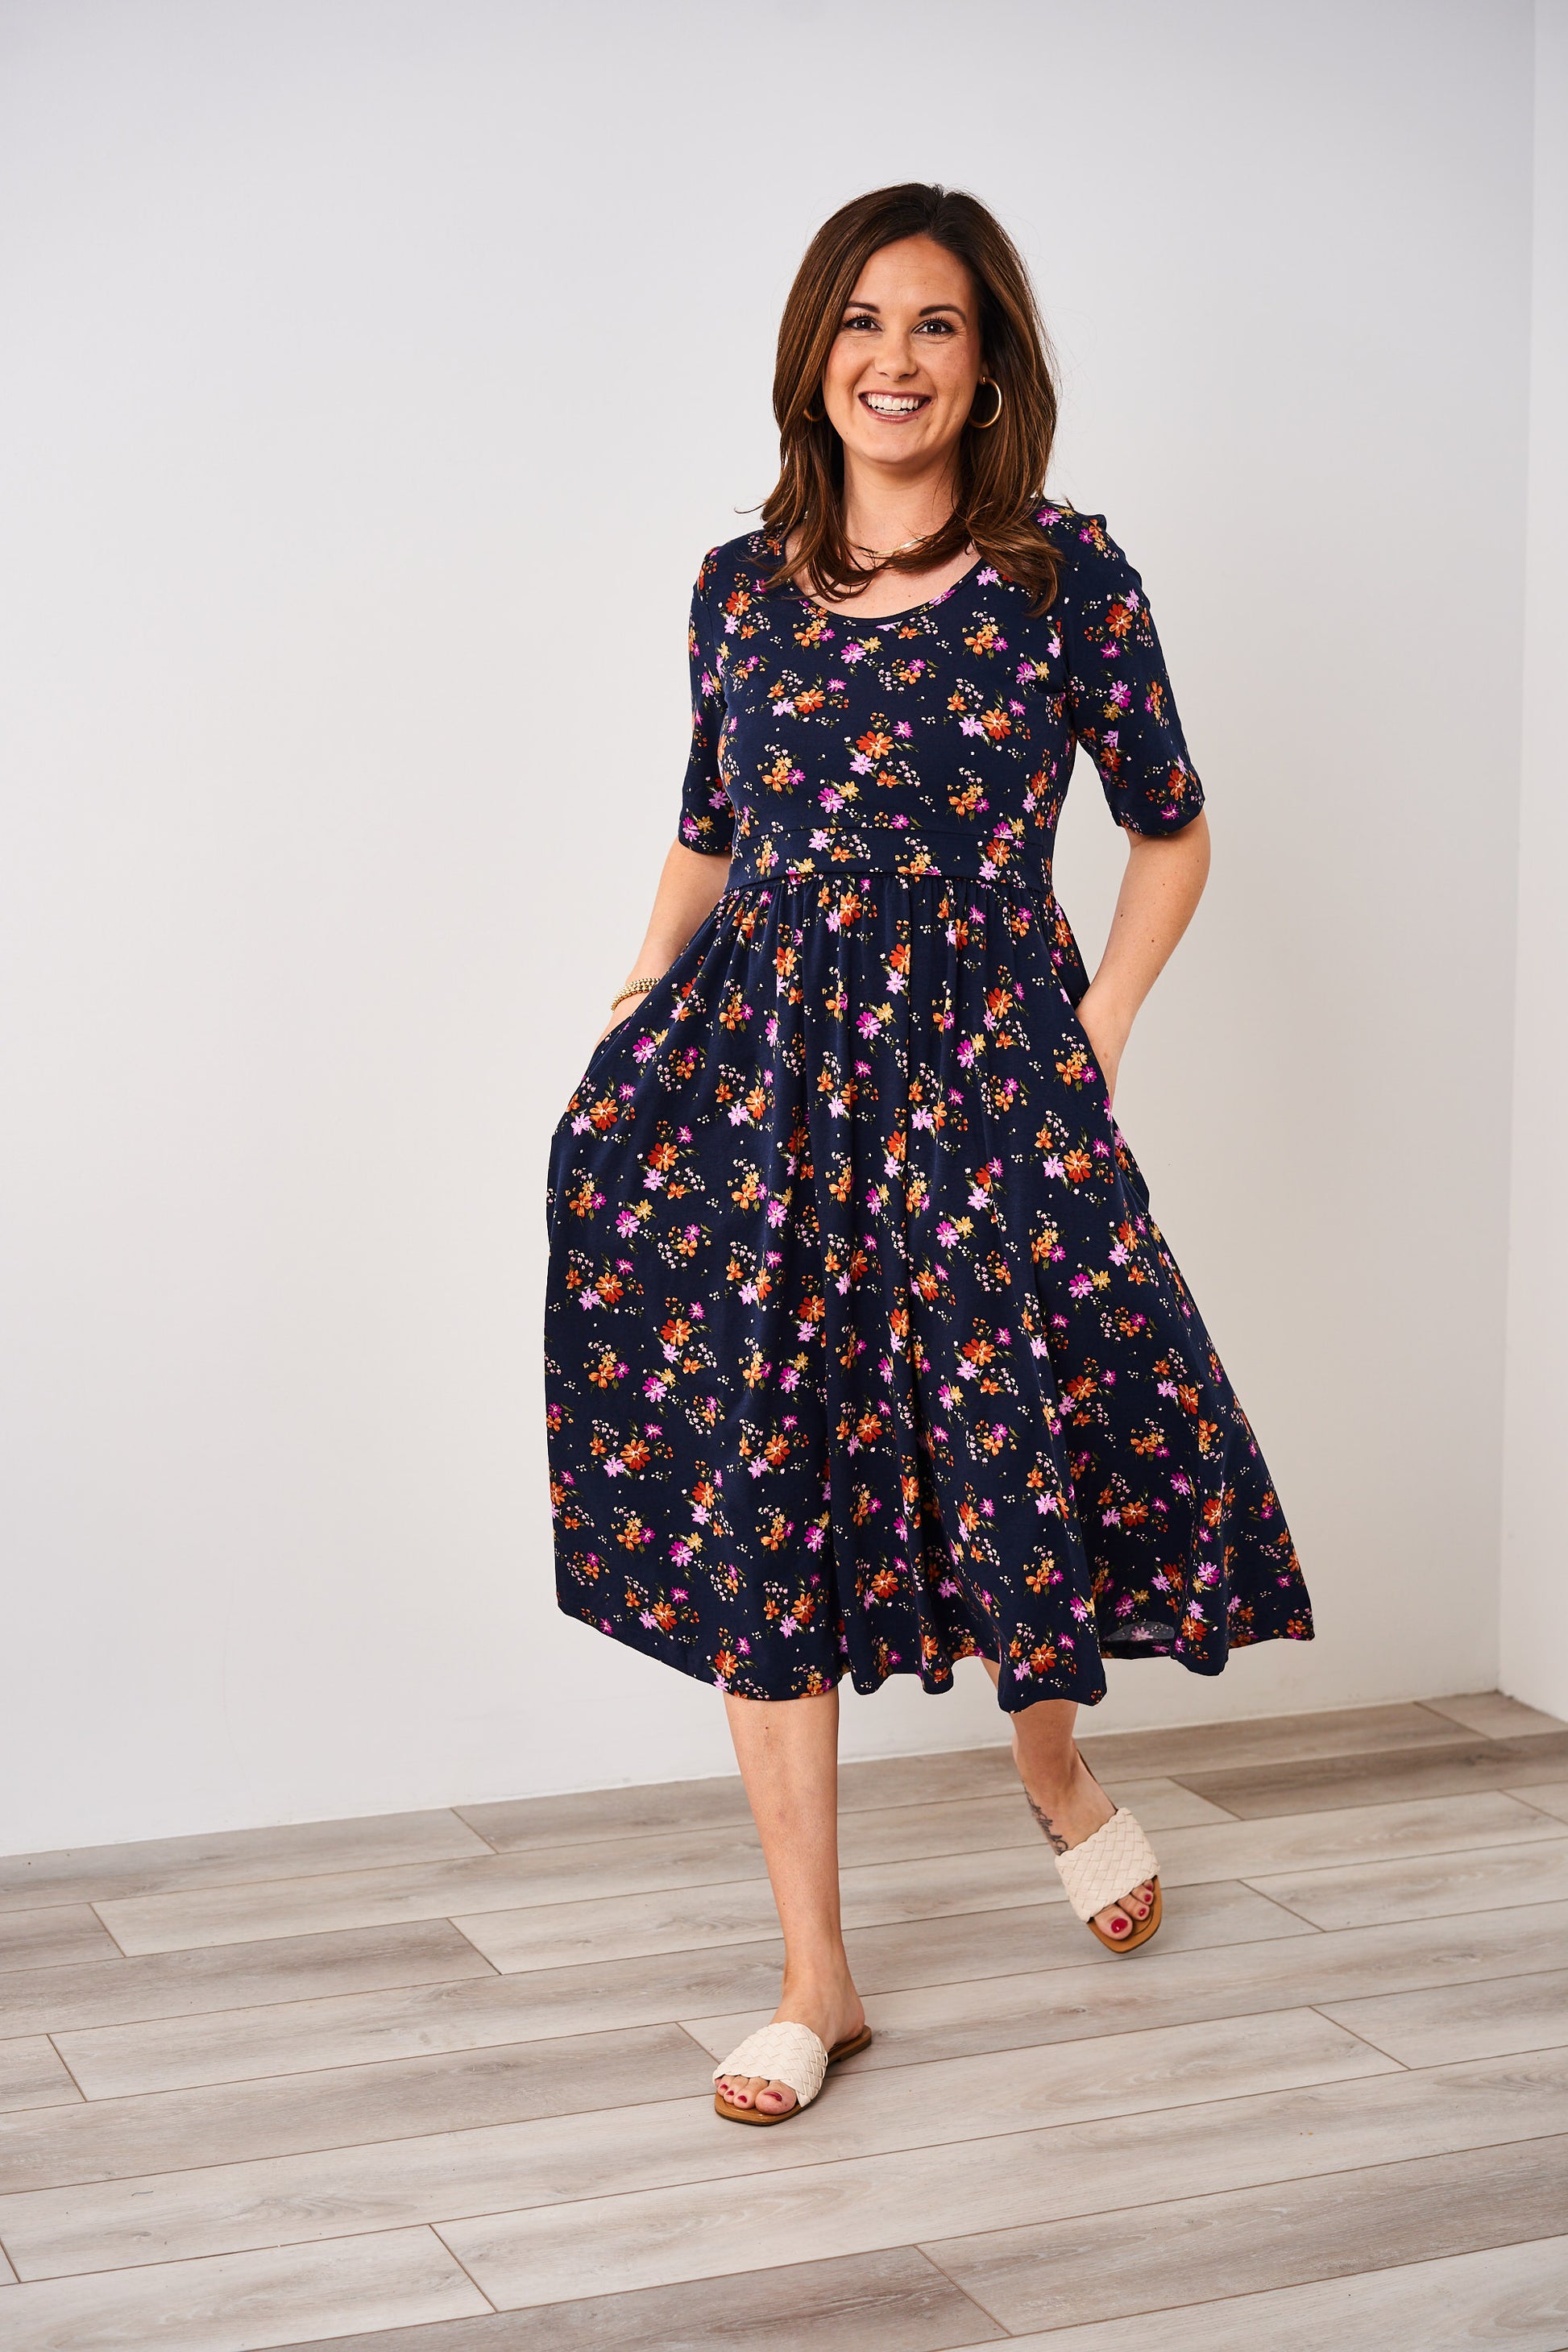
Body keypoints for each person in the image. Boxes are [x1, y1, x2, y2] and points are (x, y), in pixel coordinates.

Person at [545, 182, 1313, 2124]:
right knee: (763, 1487)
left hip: (985, 1078)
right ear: (818, 350)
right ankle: (818, 1971)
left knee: (1014, 1444)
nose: (894, 356)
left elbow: (1170, 826)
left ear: (988, 371)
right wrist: (634, 1002)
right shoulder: (738, 585)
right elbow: (713, 825)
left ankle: (1051, 1766)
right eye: (861, 320)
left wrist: (1100, 1026)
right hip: (760, 1090)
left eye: (937, 326)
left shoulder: (1065, 575)